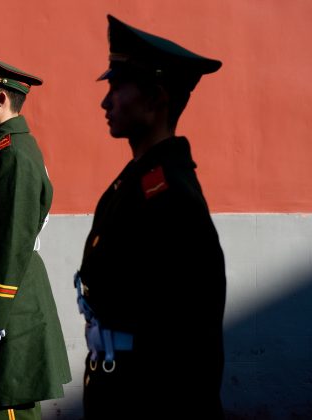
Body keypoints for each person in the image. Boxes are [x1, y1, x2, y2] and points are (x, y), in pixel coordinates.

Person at [74, 15, 227, 418]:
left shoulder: (169, 196)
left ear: (156, 97)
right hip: (117, 388)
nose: (106, 101)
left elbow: (190, 343)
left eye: (117, 86)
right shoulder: (138, 182)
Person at [0, 48, 71, 420]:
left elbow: (13, 238)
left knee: (9, 402)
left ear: (1, 98)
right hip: (3, 287)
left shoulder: (14, 153)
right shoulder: (2, 147)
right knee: (3, 397)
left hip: (11, 295)